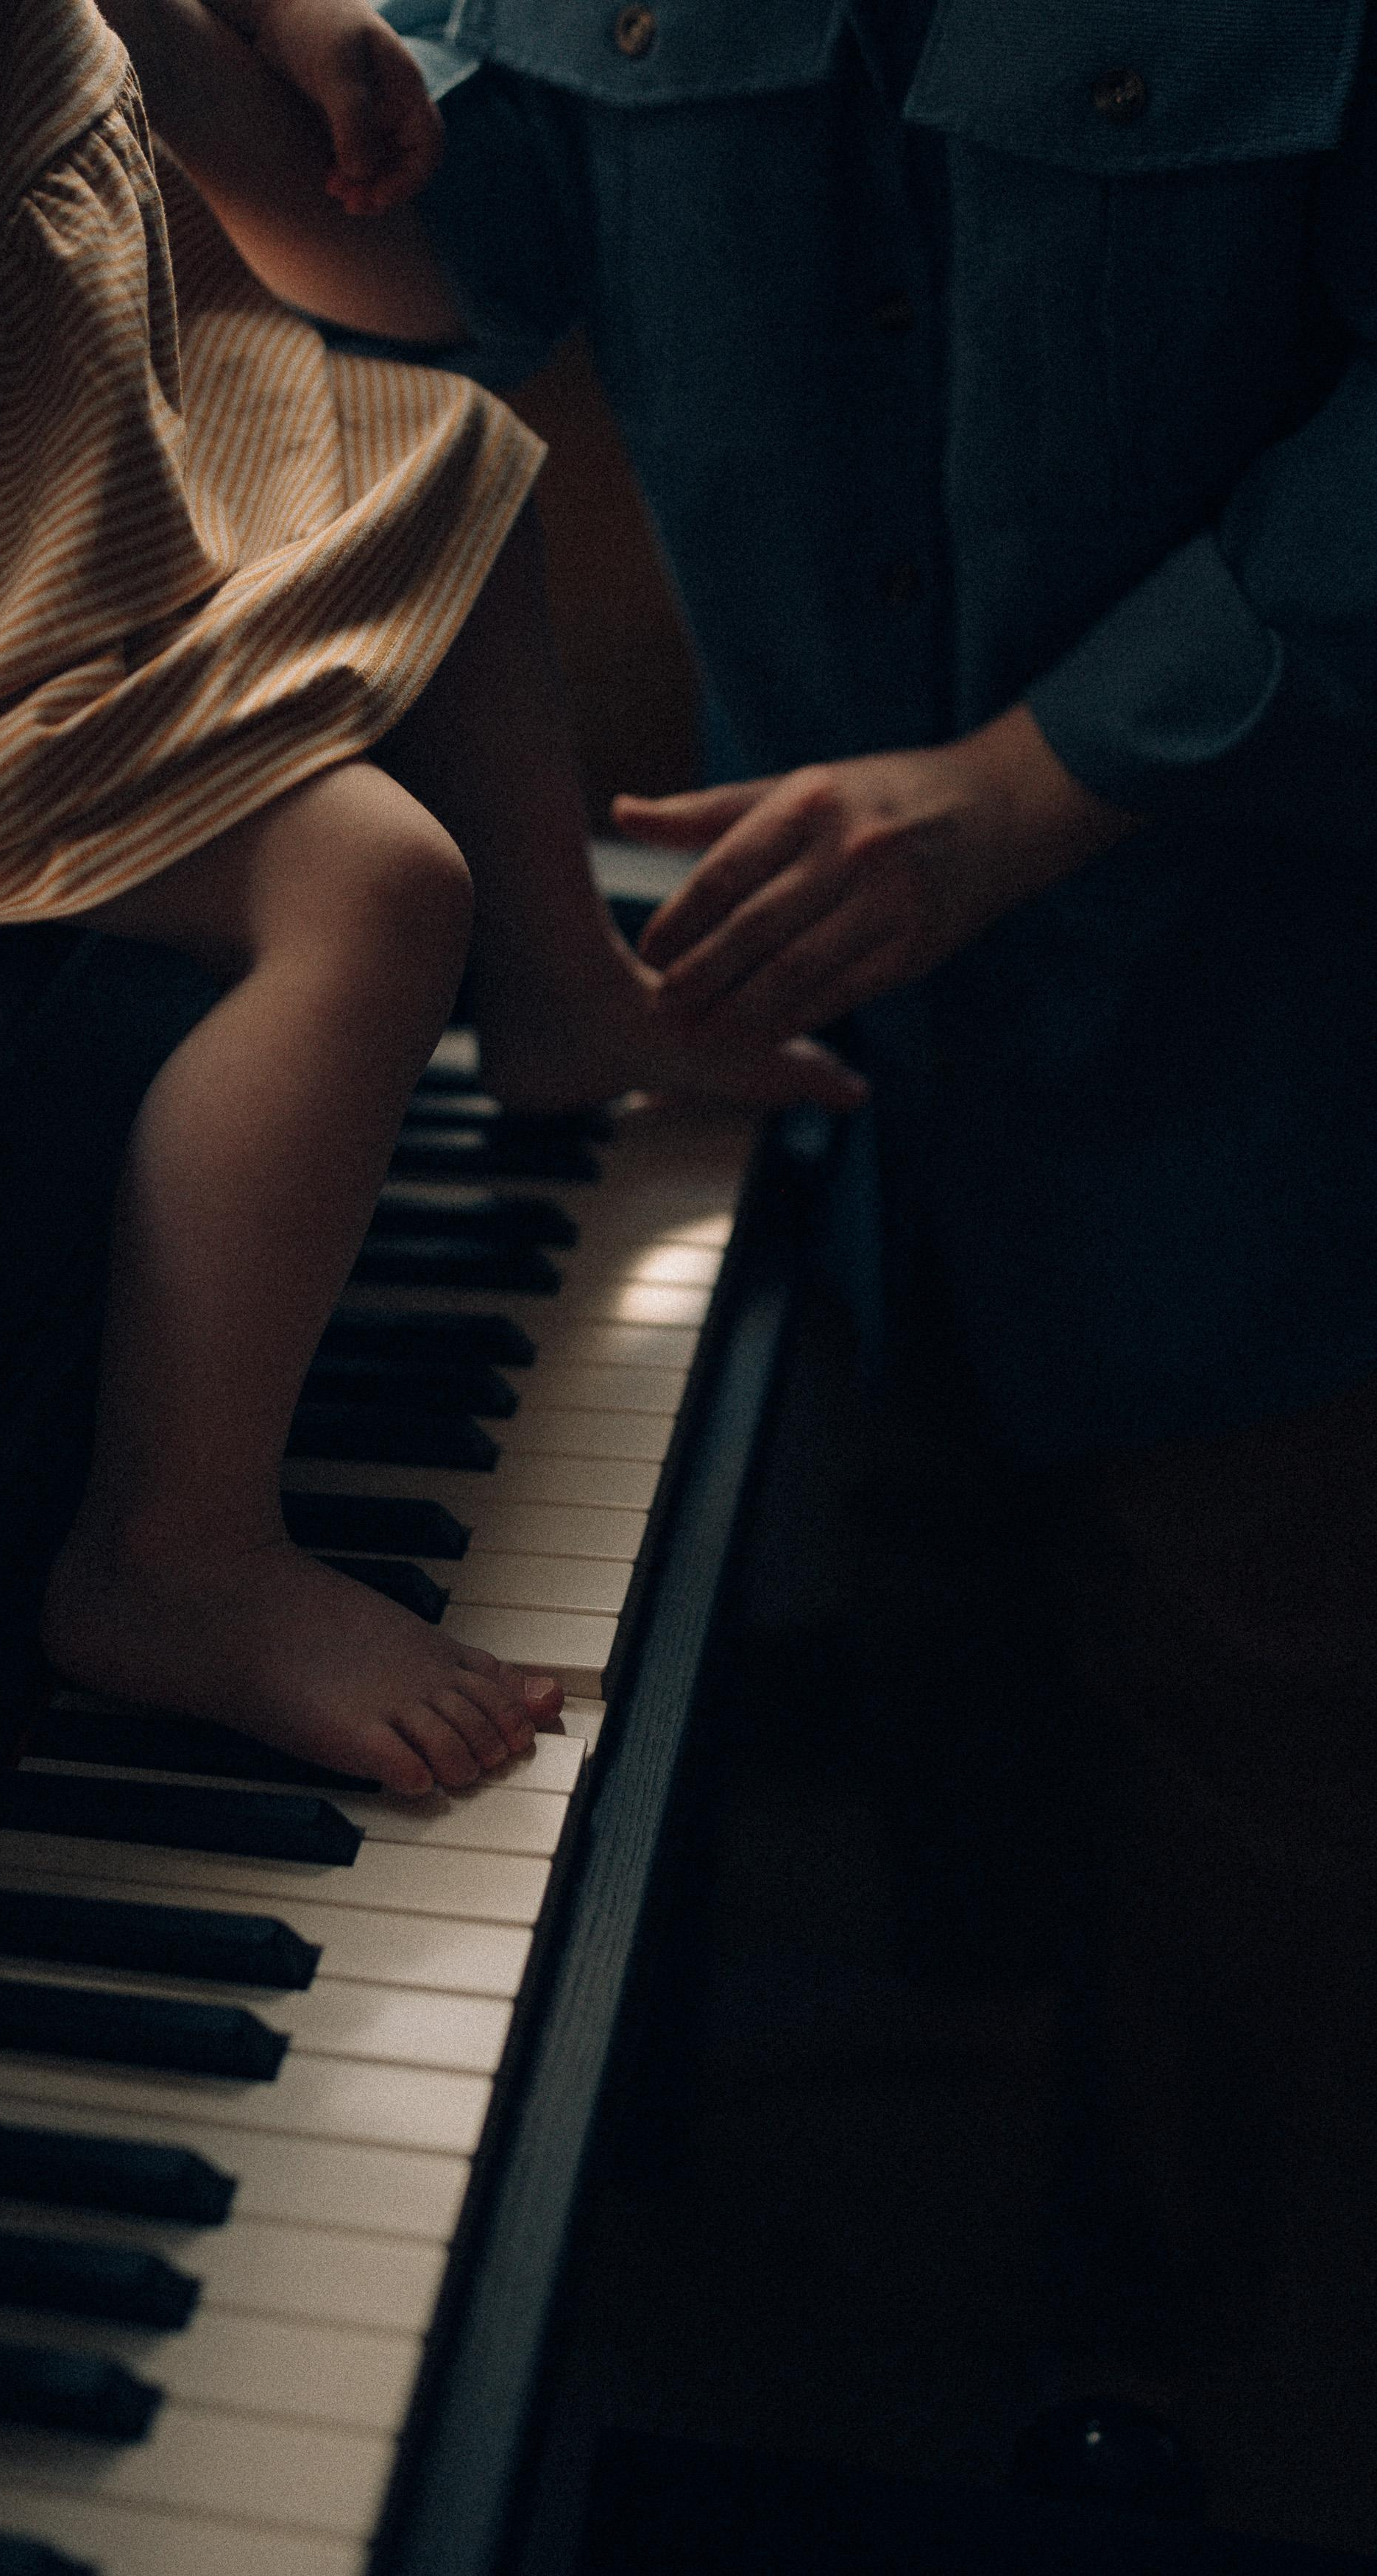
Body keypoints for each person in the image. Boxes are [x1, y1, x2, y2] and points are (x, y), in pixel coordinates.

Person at [254, 0, 1377, 2481]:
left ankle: (1182, 2376)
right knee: (941, 1577)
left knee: (1249, 1706)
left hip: (1266, 998)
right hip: (833, 1027)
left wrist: (1018, 788)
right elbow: (413, 272)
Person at [0, 0, 858, 1800]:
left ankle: (562, 995)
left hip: (50, 378)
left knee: (437, 455)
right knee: (373, 889)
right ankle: (171, 1552)